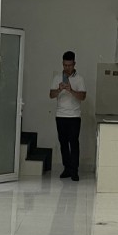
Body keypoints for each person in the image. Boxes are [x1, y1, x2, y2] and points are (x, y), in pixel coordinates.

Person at [49, 50, 87, 181]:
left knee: (74, 143)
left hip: (74, 116)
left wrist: (71, 90)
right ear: (62, 64)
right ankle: (67, 168)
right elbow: (51, 95)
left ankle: (74, 170)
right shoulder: (57, 78)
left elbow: (83, 97)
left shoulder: (80, 79)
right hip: (60, 115)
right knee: (63, 143)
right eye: (65, 65)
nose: (67, 68)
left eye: (69, 65)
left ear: (74, 64)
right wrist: (59, 89)